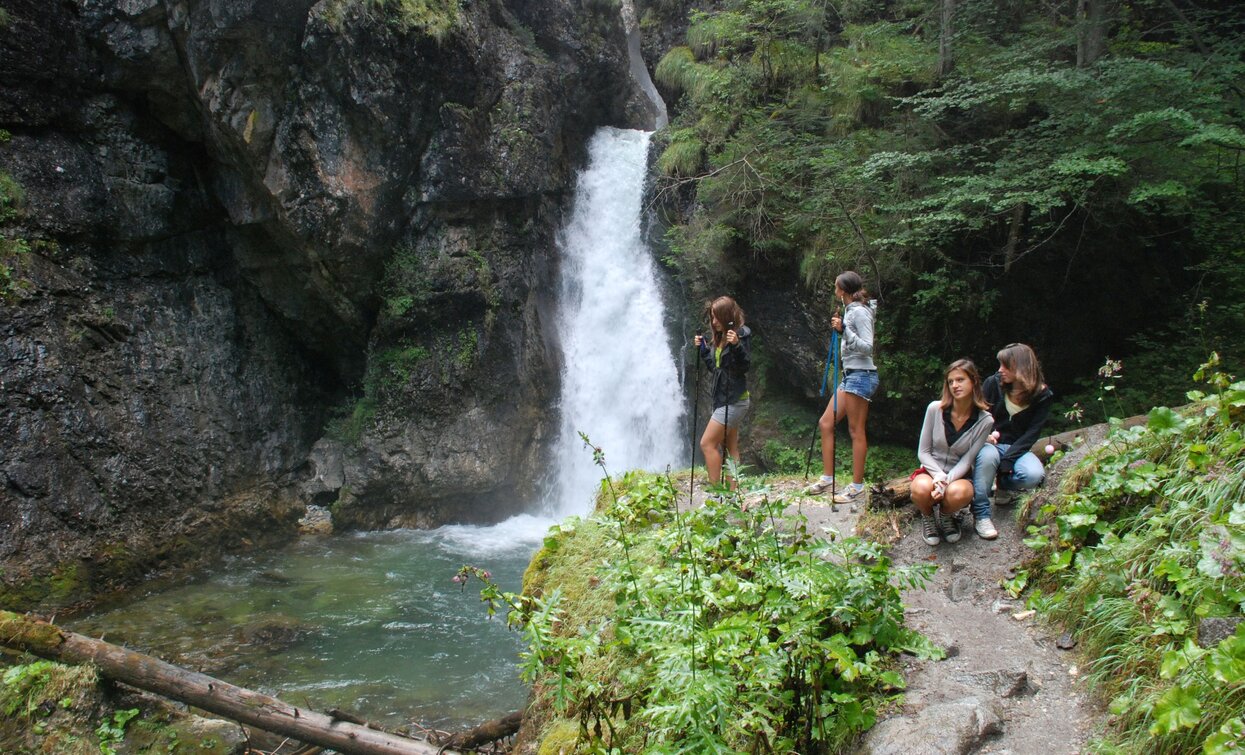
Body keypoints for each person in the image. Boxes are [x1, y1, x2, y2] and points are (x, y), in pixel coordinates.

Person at [804, 271, 878, 504]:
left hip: (861, 376)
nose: (834, 288)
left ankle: (857, 486)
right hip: (850, 376)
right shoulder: (850, 310)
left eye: (836, 285)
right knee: (826, 423)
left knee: (856, 431)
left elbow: (868, 347)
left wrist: (844, 330)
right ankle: (828, 477)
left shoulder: (859, 312)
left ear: (843, 290)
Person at [970, 343, 1054, 540]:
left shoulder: (1042, 395)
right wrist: (986, 435)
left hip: (1018, 447)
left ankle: (1003, 485)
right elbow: (977, 414)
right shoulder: (993, 384)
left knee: (1033, 475)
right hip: (990, 444)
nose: (1000, 370)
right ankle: (981, 514)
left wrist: (1009, 459)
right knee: (988, 456)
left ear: (1022, 367)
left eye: (1005, 366)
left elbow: (1032, 434)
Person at [912, 359, 995, 546]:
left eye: (960, 380)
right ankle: (928, 518)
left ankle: (946, 516)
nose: (955, 385)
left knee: (960, 493)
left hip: (958, 475)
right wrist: (938, 476)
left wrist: (945, 482)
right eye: (950, 382)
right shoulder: (935, 409)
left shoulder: (985, 421)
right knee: (919, 488)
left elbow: (968, 460)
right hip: (931, 470)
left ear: (973, 381)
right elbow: (923, 452)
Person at [694, 296, 752, 488]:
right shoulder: (718, 338)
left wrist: (736, 345)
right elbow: (717, 370)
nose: (714, 322)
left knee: (707, 444)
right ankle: (733, 494)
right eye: (712, 317)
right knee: (730, 447)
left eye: (717, 317)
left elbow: (744, 366)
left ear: (728, 316)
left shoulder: (741, 335)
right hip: (722, 399)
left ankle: (717, 491)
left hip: (734, 401)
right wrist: (703, 350)